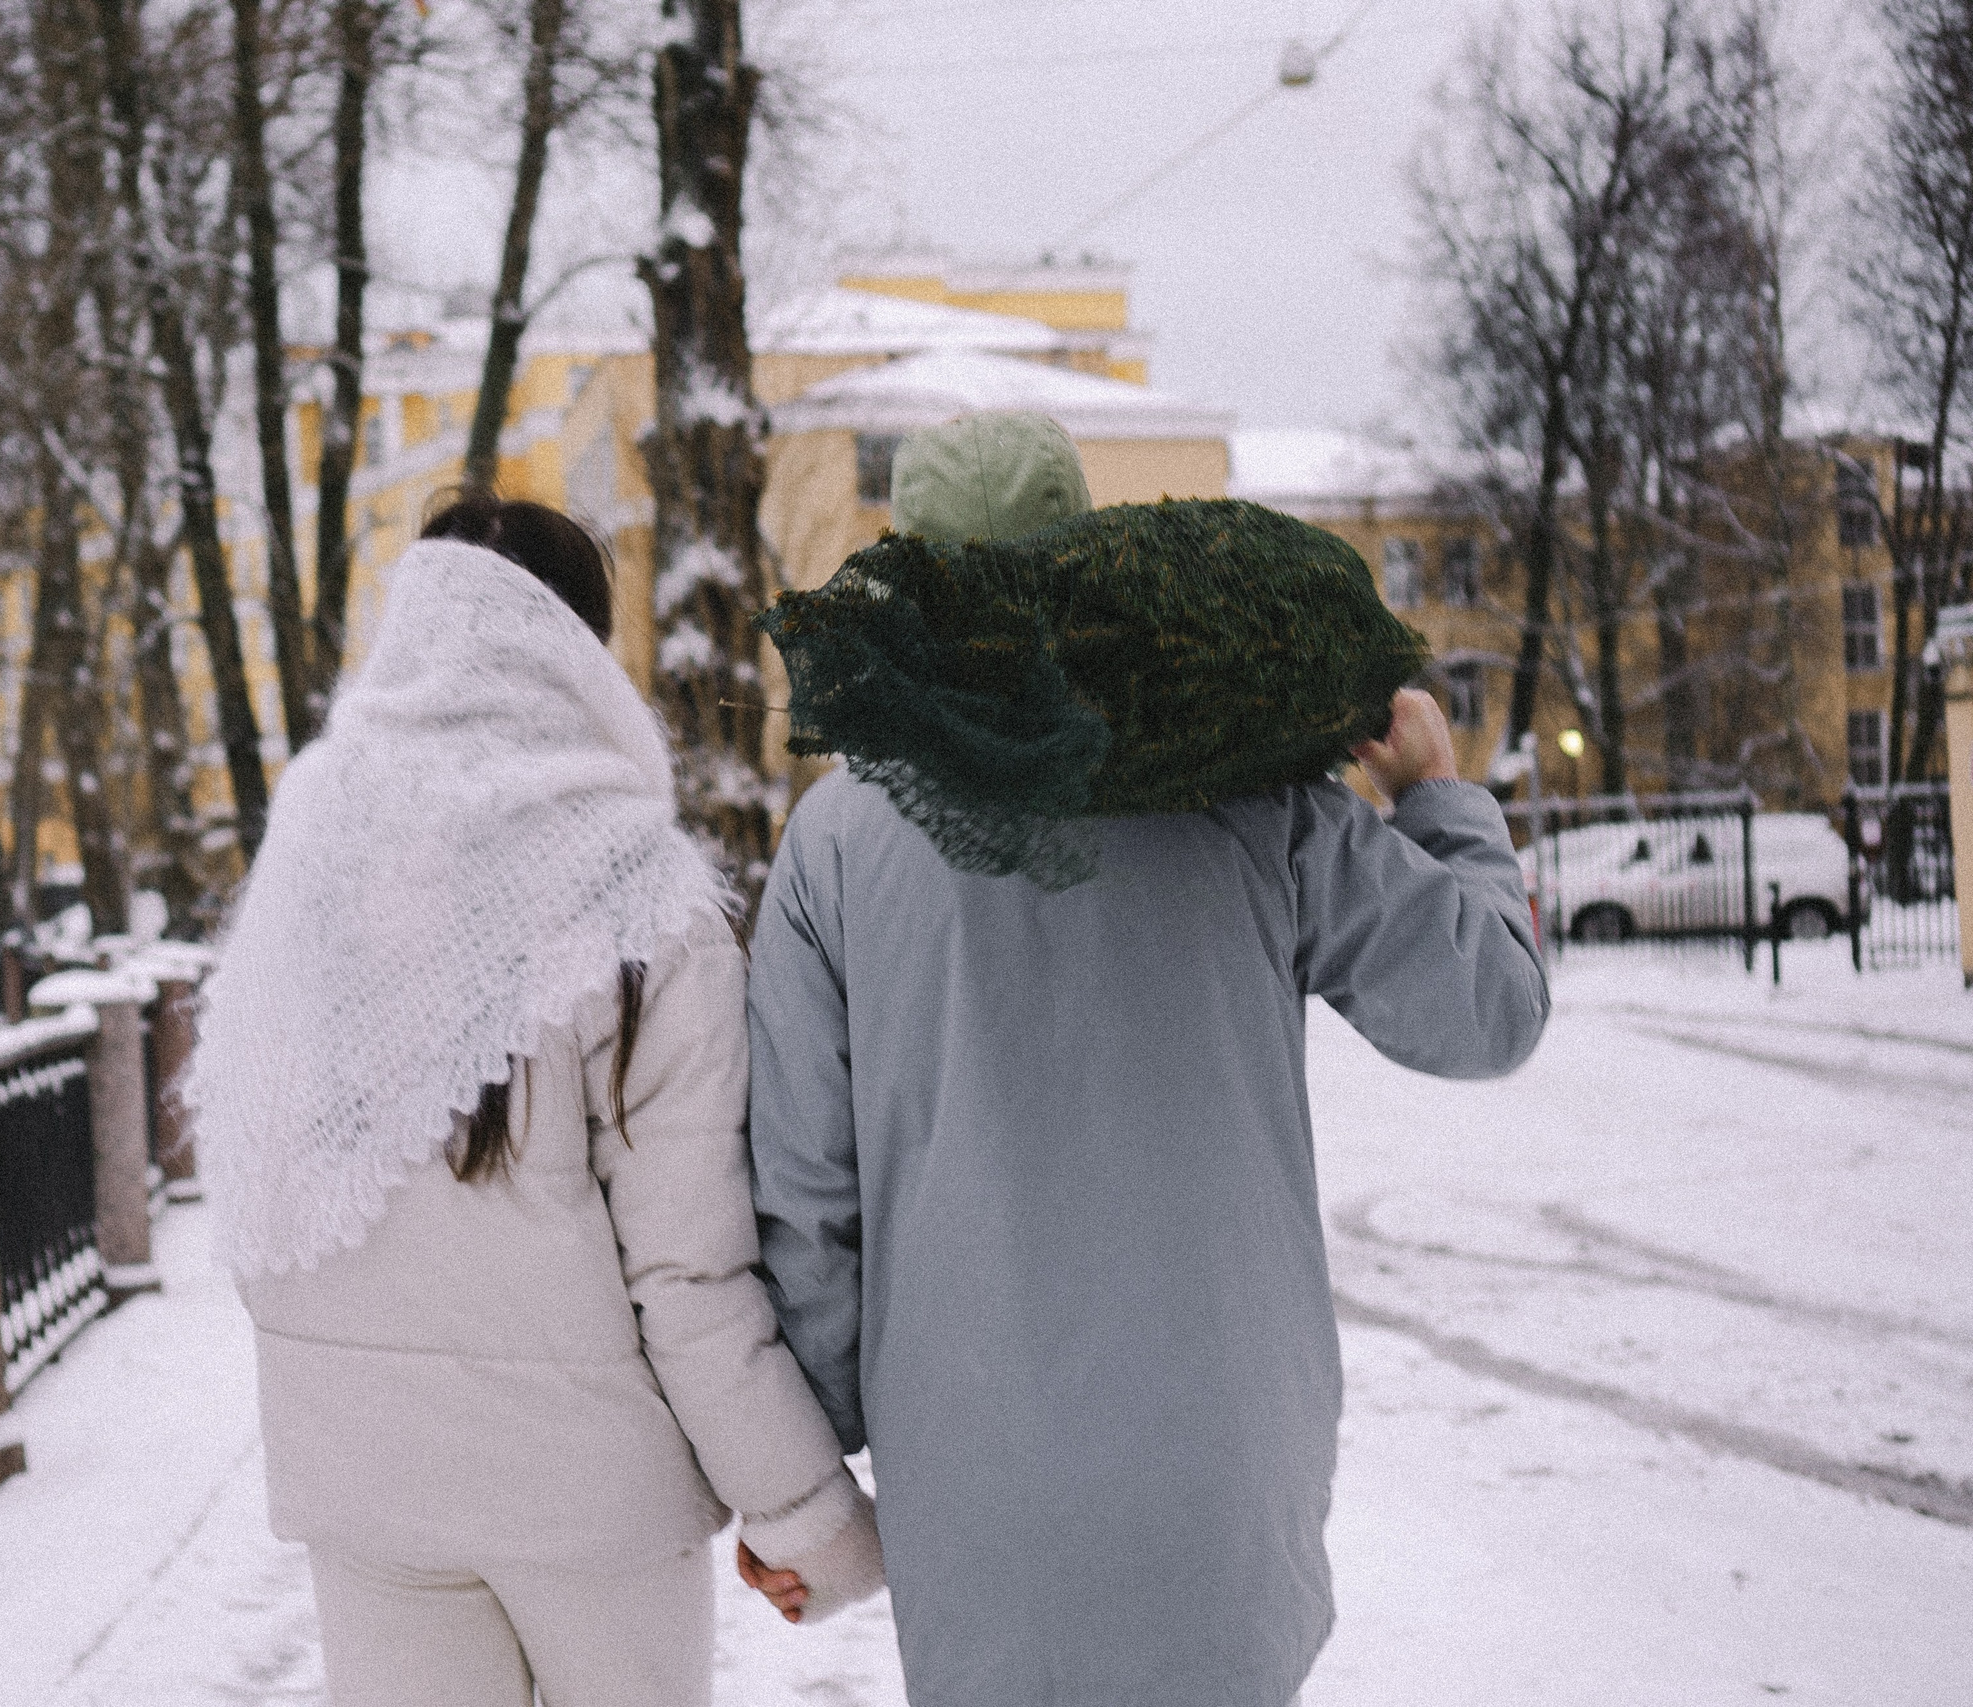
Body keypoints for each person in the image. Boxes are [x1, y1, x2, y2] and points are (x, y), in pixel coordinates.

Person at [742, 415, 1552, 1703]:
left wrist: (829, 1466)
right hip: (1225, 1466)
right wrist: (1440, 796)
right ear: (1091, 558)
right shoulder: (1257, 803)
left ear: (913, 579)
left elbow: (803, 1202)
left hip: (975, 1480)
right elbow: (1487, 1011)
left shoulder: (835, 841)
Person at [185, 490, 882, 1707]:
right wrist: (805, 1515)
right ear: (580, 651)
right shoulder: (641, 902)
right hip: (589, 1504)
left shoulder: (310, 861)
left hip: (368, 1492)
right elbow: (688, 1274)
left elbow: (255, 1177)